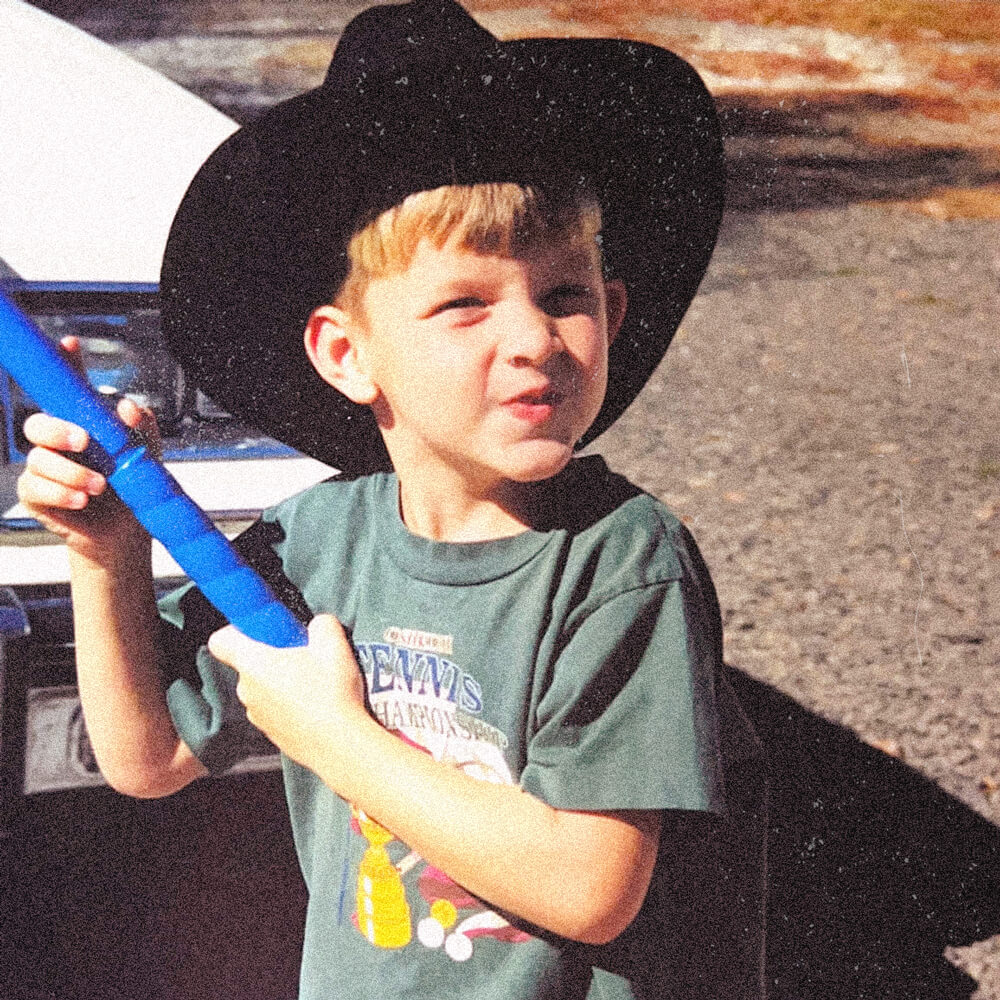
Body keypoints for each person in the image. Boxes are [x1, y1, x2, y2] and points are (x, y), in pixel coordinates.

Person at [17, 1, 768, 997]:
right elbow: (147, 756)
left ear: (611, 311)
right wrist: (104, 557)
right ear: (345, 353)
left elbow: (591, 887)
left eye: (563, 295)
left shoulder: (621, 560)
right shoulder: (319, 538)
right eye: (464, 304)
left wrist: (331, 734)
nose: (533, 339)